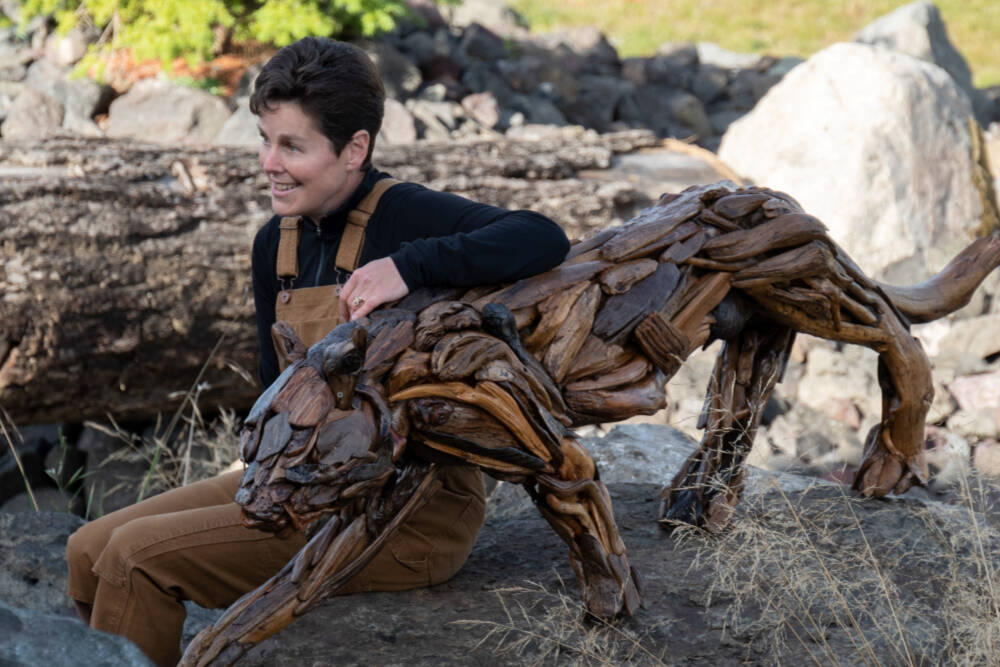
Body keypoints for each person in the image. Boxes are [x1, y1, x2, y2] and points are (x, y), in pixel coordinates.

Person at [65, 37, 569, 667]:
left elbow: (542, 236)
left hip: (406, 513)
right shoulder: (274, 244)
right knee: (87, 551)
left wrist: (409, 266)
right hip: (299, 485)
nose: (268, 162)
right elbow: (269, 389)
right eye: (264, 138)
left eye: (292, 146)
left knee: (134, 560)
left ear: (355, 148)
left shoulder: (403, 215)